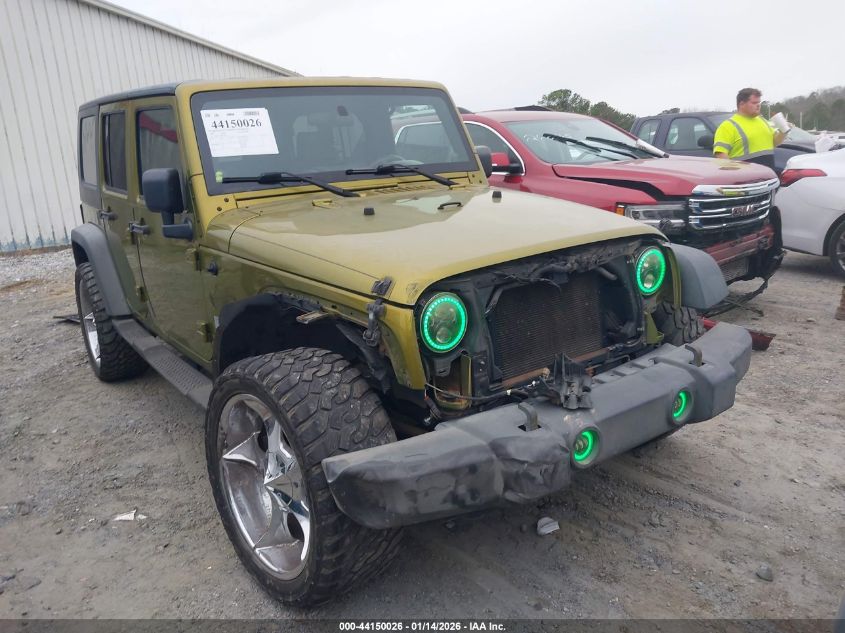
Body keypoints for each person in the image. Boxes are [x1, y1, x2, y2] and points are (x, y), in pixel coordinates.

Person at [713, 88, 790, 170]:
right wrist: (733, 173)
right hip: (744, 176)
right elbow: (721, 155)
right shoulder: (727, 126)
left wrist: (783, 131)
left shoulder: (762, 121)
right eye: (754, 103)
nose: (758, 105)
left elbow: (774, 143)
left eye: (759, 102)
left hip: (768, 174)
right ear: (742, 104)